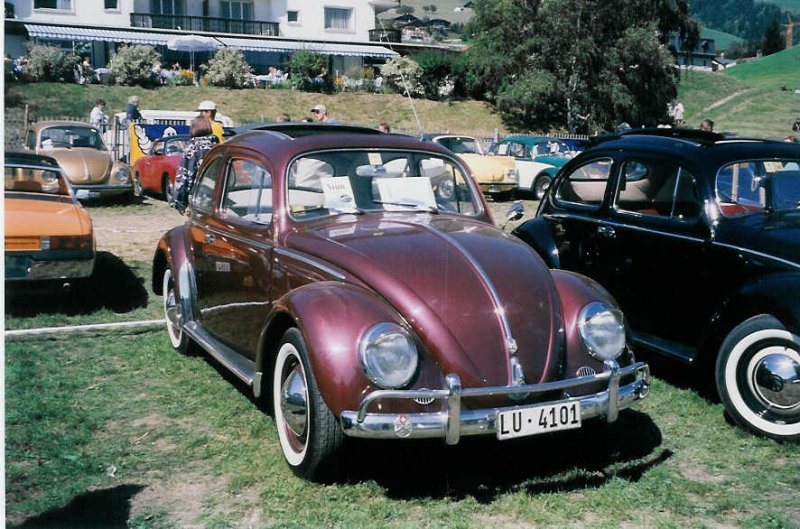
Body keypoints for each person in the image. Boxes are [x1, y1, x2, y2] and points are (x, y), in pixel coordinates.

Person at [171, 116, 219, 214]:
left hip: (198, 197)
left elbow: (184, 177)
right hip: (218, 196)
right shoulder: (217, 146)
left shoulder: (192, 148)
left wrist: (180, 202)